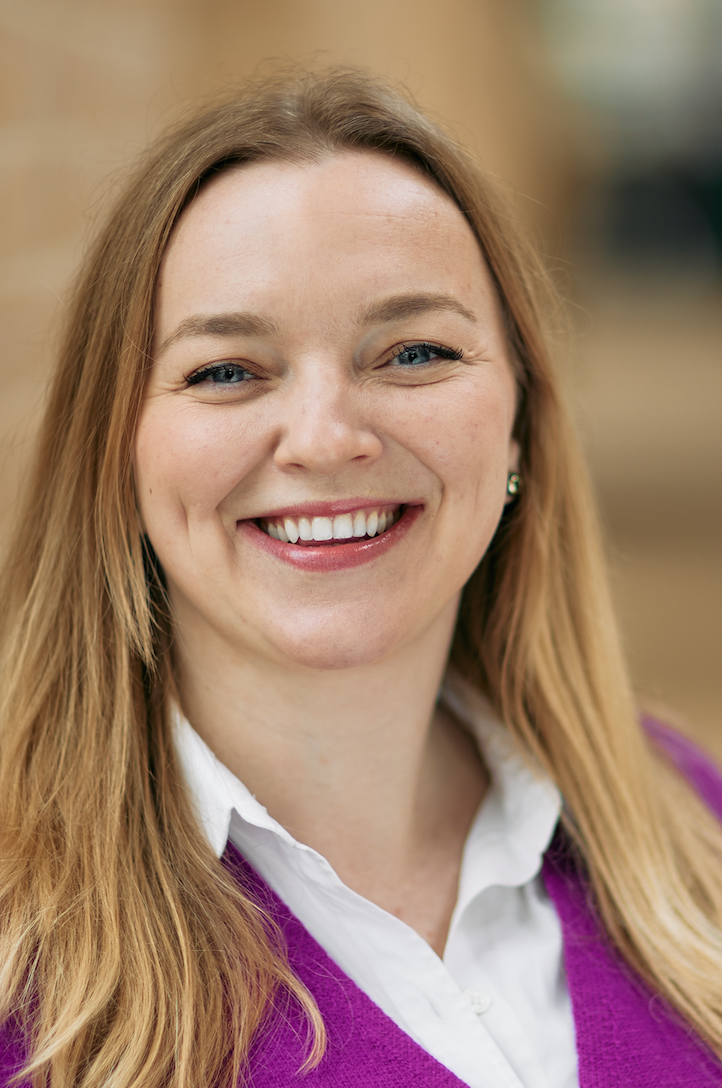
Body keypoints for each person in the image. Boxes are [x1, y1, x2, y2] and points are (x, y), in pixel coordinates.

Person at [0, 67, 721, 1088]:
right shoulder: (21, 964)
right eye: (226, 370)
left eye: (413, 352)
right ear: (115, 448)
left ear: (517, 420)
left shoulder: (687, 818)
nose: (326, 437)